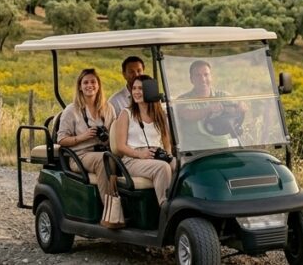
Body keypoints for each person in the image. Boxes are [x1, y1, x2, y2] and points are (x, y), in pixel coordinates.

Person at [56, 69, 116, 204]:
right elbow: (61, 139)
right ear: (80, 87)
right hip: (80, 155)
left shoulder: (108, 108)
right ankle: (110, 207)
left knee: (119, 159)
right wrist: (83, 137)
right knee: (105, 159)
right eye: (86, 82)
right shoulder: (71, 110)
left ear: (98, 85)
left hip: (105, 151)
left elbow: (115, 133)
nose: (90, 85)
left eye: (93, 82)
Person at [113, 75, 174, 207]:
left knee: (180, 165)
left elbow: (166, 141)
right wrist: (141, 154)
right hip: (133, 159)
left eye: (140, 88)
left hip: (156, 155)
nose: (136, 92)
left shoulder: (160, 114)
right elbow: (120, 146)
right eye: (134, 88)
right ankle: (166, 208)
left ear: (150, 90)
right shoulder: (126, 114)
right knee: (163, 167)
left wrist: (168, 156)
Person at [176, 60, 246, 148]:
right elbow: (187, 114)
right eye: (198, 75)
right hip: (198, 151)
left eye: (206, 75)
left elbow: (240, 105)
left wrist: (240, 107)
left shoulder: (222, 95)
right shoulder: (184, 99)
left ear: (211, 77)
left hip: (226, 147)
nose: (203, 79)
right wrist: (209, 109)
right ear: (191, 79)